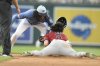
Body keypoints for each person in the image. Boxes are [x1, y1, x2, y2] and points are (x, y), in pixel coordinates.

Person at [24, 17, 95, 58]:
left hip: (54, 44)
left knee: (41, 53)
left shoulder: (50, 33)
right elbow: (69, 44)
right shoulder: (63, 35)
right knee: (75, 55)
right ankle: (84, 53)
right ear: (62, 29)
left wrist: (47, 43)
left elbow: (45, 44)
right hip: (64, 44)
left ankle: (29, 52)